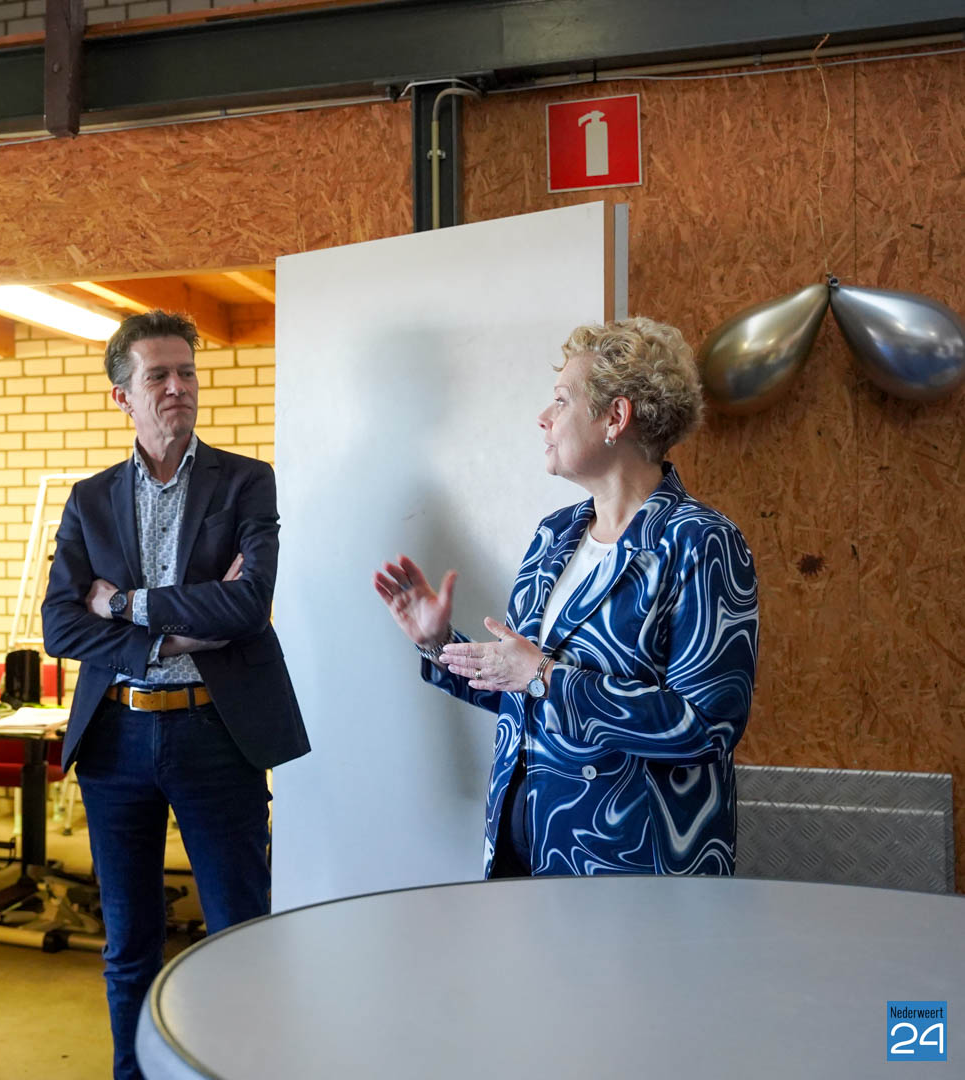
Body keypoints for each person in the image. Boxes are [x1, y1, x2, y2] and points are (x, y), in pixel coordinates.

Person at [374, 317, 757, 877]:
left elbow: (705, 729)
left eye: (561, 400)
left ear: (616, 417)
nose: (543, 417)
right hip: (526, 848)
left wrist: (546, 675)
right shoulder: (554, 534)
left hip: (637, 863)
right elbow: (523, 692)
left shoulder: (702, 542)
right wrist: (440, 645)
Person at [42, 310, 308, 1080]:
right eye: (157, 375)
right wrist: (170, 640)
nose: (177, 387)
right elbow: (60, 623)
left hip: (214, 733)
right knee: (128, 947)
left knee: (239, 936)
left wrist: (127, 605)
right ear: (122, 396)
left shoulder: (246, 482)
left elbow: (248, 604)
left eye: (187, 372)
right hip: (115, 741)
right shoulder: (90, 499)